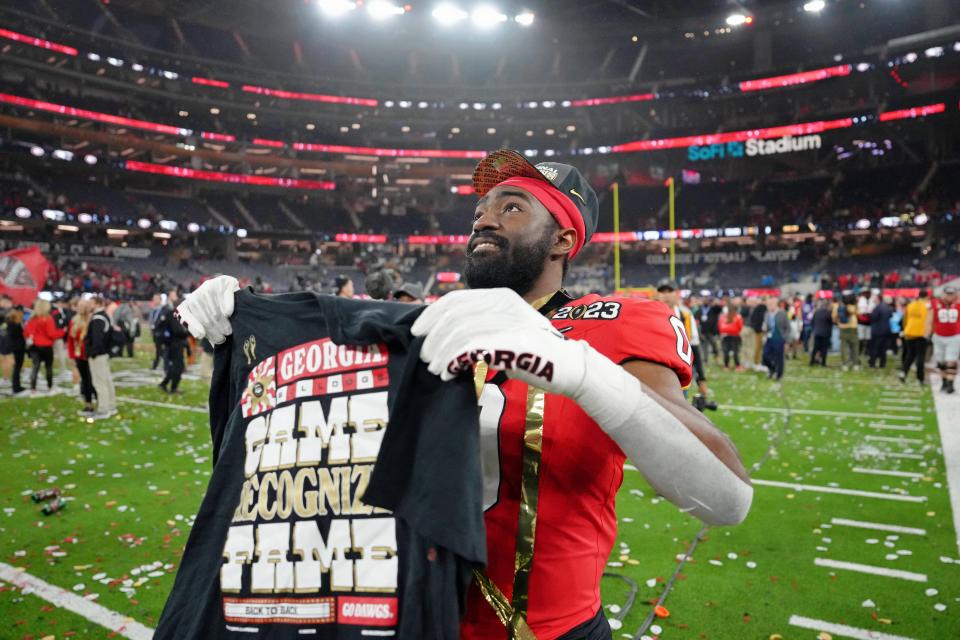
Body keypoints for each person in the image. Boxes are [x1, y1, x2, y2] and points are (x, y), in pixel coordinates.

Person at [176, 149, 752, 639]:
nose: (484, 221)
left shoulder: (620, 319)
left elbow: (727, 499)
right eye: (480, 211)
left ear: (564, 238)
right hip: (416, 620)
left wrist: (578, 368)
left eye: (511, 207)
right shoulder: (429, 325)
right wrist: (242, 318)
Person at [656, 280, 717, 411]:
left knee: (679, 412)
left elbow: (694, 348)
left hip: (679, 373)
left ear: (677, 293)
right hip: (656, 371)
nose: (666, 295)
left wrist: (701, 379)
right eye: (662, 291)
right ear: (657, 294)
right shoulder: (649, 314)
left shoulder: (686, 315)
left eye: (669, 291)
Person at [23, 298, 65, 393]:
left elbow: (26, 332)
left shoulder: (32, 318)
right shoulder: (48, 318)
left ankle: (33, 388)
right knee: (48, 367)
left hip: (34, 346)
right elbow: (52, 334)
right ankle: (50, 386)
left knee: (35, 367)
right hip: (46, 346)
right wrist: (62, 332)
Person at [85, 295, 117, 418]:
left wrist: (92, 352)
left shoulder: (98, 319)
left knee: (99, 382)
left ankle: (104, 409)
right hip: (103, 353)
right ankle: (111, 405)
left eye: (91, 303)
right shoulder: (104, 316)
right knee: (106, 380)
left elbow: (97, 340)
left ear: (98, 304)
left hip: (98, 354)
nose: (89, 305)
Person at [927, 286, 960, 394]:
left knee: (951, 360)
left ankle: (950, 384)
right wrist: (927, 334)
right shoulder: (935, 304)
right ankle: (944, 381)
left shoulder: (958, 304)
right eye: (948, 294)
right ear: (943, 294)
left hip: (954, 336)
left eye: (952, 294)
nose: (949, 296)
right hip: (938, 336)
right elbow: (930, 319)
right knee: (941, 361)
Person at [67, 298, 96, 415]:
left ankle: (96, 399)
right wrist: (71, 355)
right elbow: (70, 340)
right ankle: (88, 403)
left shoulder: (92, 320)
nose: (81, 308)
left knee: (91, 379)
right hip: (79, 355)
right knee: (85, 379)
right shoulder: (74, 321)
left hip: (90, 355)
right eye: (79, 306)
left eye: (83, 306)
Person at [156, 289, 189, 394]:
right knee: (178, 367)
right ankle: (173, 387)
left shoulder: (174, 314)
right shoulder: (174, 315)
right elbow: (178, 331)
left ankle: (164, 384)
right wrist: (188, 331)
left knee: (176, 366)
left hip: (174, 344)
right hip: (175, 344)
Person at [900, 290, 930, 385]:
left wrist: (905, 330)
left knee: (910, 355)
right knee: (920, 357)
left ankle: (903, 373)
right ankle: (920, 379)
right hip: (921, 333)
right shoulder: (927, 306)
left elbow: (905, 319)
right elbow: (929, 320)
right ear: (926, 297)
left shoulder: (911, 305)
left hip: (909, 332)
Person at [762, 298, 791, 381]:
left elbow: (788, 328)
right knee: (765, 355)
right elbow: (765, 325)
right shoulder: (767, 314)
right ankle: (772, 369)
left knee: (779, 358)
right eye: (769, 304)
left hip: (779, 338)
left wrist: (786, 340)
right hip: (769, 338)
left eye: (772, 304)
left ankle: (779, 374)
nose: (770, 306)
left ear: (776, 304)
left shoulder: (782, 313)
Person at [834, 293, 859, 371]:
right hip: (853, 328)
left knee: (844, 347)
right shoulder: (854, 307)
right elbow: (858, 314)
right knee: (854, 347)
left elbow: (835, 317)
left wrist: (838, 323)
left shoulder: (840, 306)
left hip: (843, 328)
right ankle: (855, 364)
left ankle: (845, 364)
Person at [5, 305, 26, 395]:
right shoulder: (13, 322)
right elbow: (15, 335)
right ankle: (16, 386)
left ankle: (17, 385)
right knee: (17, 367)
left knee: (18, 367)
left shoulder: (14, 321)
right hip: (17, 347)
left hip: (18, 346)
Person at [868, 296, 893, 369]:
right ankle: (882, 364)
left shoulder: (878, 308)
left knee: (875, 347)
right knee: (883, 348)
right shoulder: (887, 307)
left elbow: (874, 317)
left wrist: (870, 314)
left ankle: (872, 363)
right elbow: (890, 315)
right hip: (886, 330)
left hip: (877, 331)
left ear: (878, 299)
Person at [718, 304, 743, 370]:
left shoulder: (737, 317)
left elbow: (740, 326)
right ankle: (728, 365)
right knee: (727, 352)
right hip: (727, 336)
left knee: (734, 352)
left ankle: (736, 365)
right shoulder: (723, 317)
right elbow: (720, 326)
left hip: (734, 336)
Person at [809, 299, 834, 366]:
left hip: (817, 332)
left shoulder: (817, 312)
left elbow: (812, 322)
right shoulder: (828, 313)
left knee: (815, 347)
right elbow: (830, 323)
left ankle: (812, 361)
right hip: (825, 333)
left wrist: (814, 329)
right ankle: (823, 362)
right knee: (824, 348)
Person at [748, 296, 768, 371]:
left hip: (765, 331)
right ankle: (756, 363)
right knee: (758, 347)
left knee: (763, 348)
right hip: (759, 331)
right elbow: (754, 319)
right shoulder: (760, 308)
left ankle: (762, 363)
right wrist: (758, 328)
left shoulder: (765, 308)